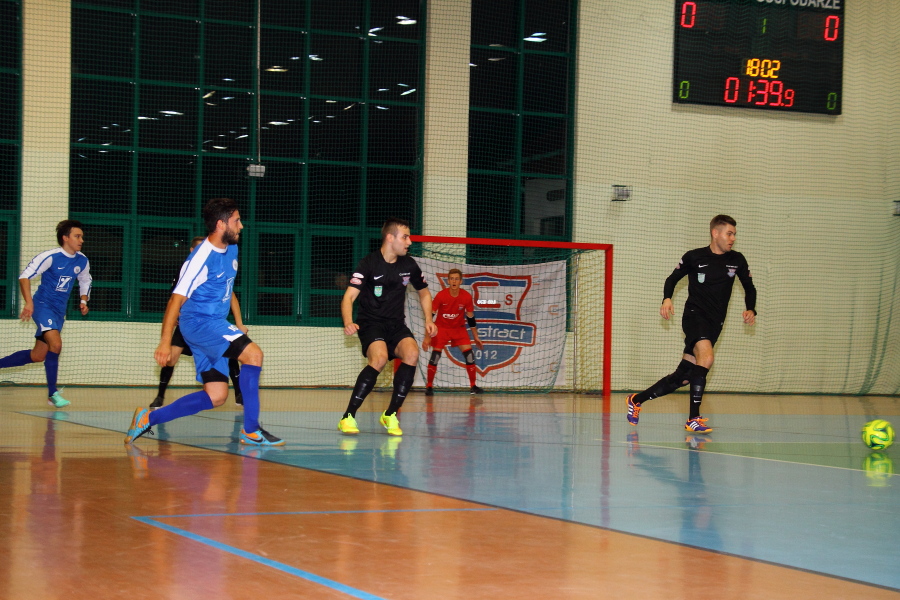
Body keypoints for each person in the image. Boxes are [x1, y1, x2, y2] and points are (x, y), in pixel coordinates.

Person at [126, 198, 283, 446]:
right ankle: (251, 431)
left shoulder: (232, 248)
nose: (241, 226)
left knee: (216, 395)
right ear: (221, 224)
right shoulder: (200, 259)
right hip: (199, 323)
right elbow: (175, 301)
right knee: (254, 355)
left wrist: (237, 321)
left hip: (214, 323)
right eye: (236, 221)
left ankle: (147, 418)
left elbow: (227, 288)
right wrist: (165, 342)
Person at [626, 215, 756, 433]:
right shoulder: (694, 256)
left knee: (683, 378)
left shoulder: (737, 259)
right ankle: (693, 418)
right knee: (707, 358)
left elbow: (749, 287)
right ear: (715, 233)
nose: (733, 238)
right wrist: (667, 298)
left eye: (734, 234)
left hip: (716, 323)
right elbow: (672, 279)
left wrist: (751, 308)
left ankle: (636, 400)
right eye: (729, 233)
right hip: (695, 316)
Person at [338, 217, 437, 436]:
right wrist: (348, 321)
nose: (409, 242)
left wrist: (429, 320)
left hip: (396, 324)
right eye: (405, 237)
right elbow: (349, 297)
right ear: (390, 238)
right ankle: (348, 417)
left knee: (412, 353)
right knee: (380, 359)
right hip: (371, 323)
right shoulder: (369, 263)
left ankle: (390, 414)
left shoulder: (409, 265)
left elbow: (424, 293)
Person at [0, 220, 91, 407]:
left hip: (59, 311)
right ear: (65, 238)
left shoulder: (82, 260)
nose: (81, 240)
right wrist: (29, 303)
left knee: (37, 355)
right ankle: (52, 394)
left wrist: (83, 300)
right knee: (56, 345)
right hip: (43, 306)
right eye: (77, 236)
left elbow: (85, 280)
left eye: (81, 236)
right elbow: (24, 277)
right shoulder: (50, 257)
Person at [150, 236, 245, 409]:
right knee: (170, 359)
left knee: (231, 354)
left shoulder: (216, 268)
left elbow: (231, 295)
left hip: (211, 326)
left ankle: (239, 394)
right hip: (190, 325)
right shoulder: (187, 271)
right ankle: (160, 396)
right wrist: (167, 335)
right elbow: (175, 300)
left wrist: (239, 323)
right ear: (192, 251)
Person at [422, 268, 485, 395]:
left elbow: (471, 318)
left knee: (469, 355)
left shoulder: (466, 296)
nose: (454, 281)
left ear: (460, 281)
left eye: (456, 279)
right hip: (441, 328)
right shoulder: (441, 295)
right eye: (451, 279)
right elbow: (430, 317)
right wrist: (427, 337)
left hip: (458, 329)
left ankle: (473, 386)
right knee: (435, 356)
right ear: (448, 281)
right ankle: (429, 386)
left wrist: (476, 337)